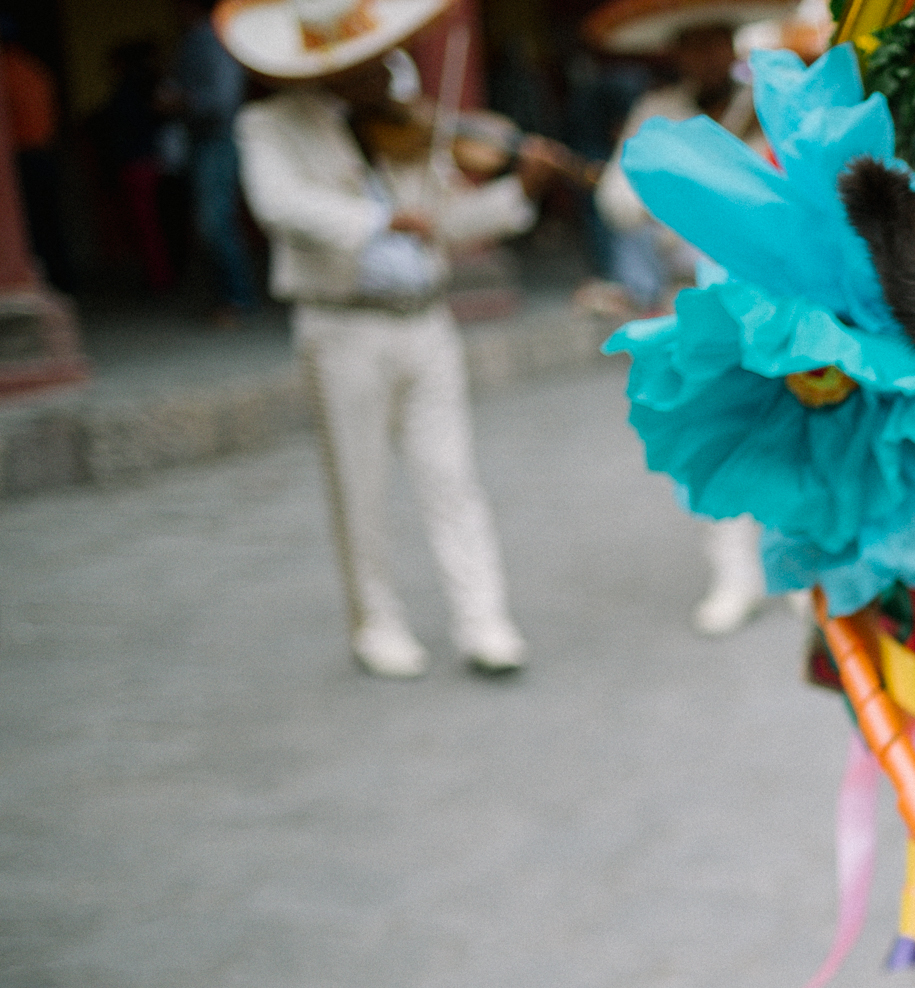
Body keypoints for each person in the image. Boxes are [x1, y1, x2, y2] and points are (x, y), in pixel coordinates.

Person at [226, 0, 562, 679]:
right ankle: (375, 624)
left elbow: (445, 222)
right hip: (342, 322)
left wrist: (516, 195)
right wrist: (377, 221)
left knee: (453, 476)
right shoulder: (270, 125)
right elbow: (280, 205)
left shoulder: (410, 129)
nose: (387, 74)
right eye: (369, 64)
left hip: (426, 319)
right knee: (361, 486)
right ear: (335, 69)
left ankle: (483, 620)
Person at [583, 0, 785, 637]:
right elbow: (616, 203)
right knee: (714, 431)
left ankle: (797, 568)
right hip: (692, 300)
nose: (706, 57)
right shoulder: (657, 113)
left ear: (732, 46)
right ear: (678, 55)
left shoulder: (770, 103)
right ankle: (734, 575)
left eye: (716, 44)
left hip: (771, 291)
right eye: (692, 47)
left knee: (792, 423)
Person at [175, 0, 257, 321]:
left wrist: (182, 101)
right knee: (212, 220)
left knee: (215, 221)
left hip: (218, 139)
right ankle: (231, 296)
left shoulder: (212, 39)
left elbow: (221, 101)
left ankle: (238, 298)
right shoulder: (198, 39)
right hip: (205, 140)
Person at [101, 38, 178, 294]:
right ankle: (160, 275)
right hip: (150, 159)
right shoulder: (147, 83)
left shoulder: (130, 88)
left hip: (138, 161)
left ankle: (159, 279)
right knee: (154, 222)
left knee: (146, 224)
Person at [2, 19, 70, 290]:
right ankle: (64, 282)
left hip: (22, 160)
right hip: (46, 153)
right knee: (52, 223)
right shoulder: (36, 70)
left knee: (31, 229)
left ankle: (46, 284)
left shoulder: (7, 73)